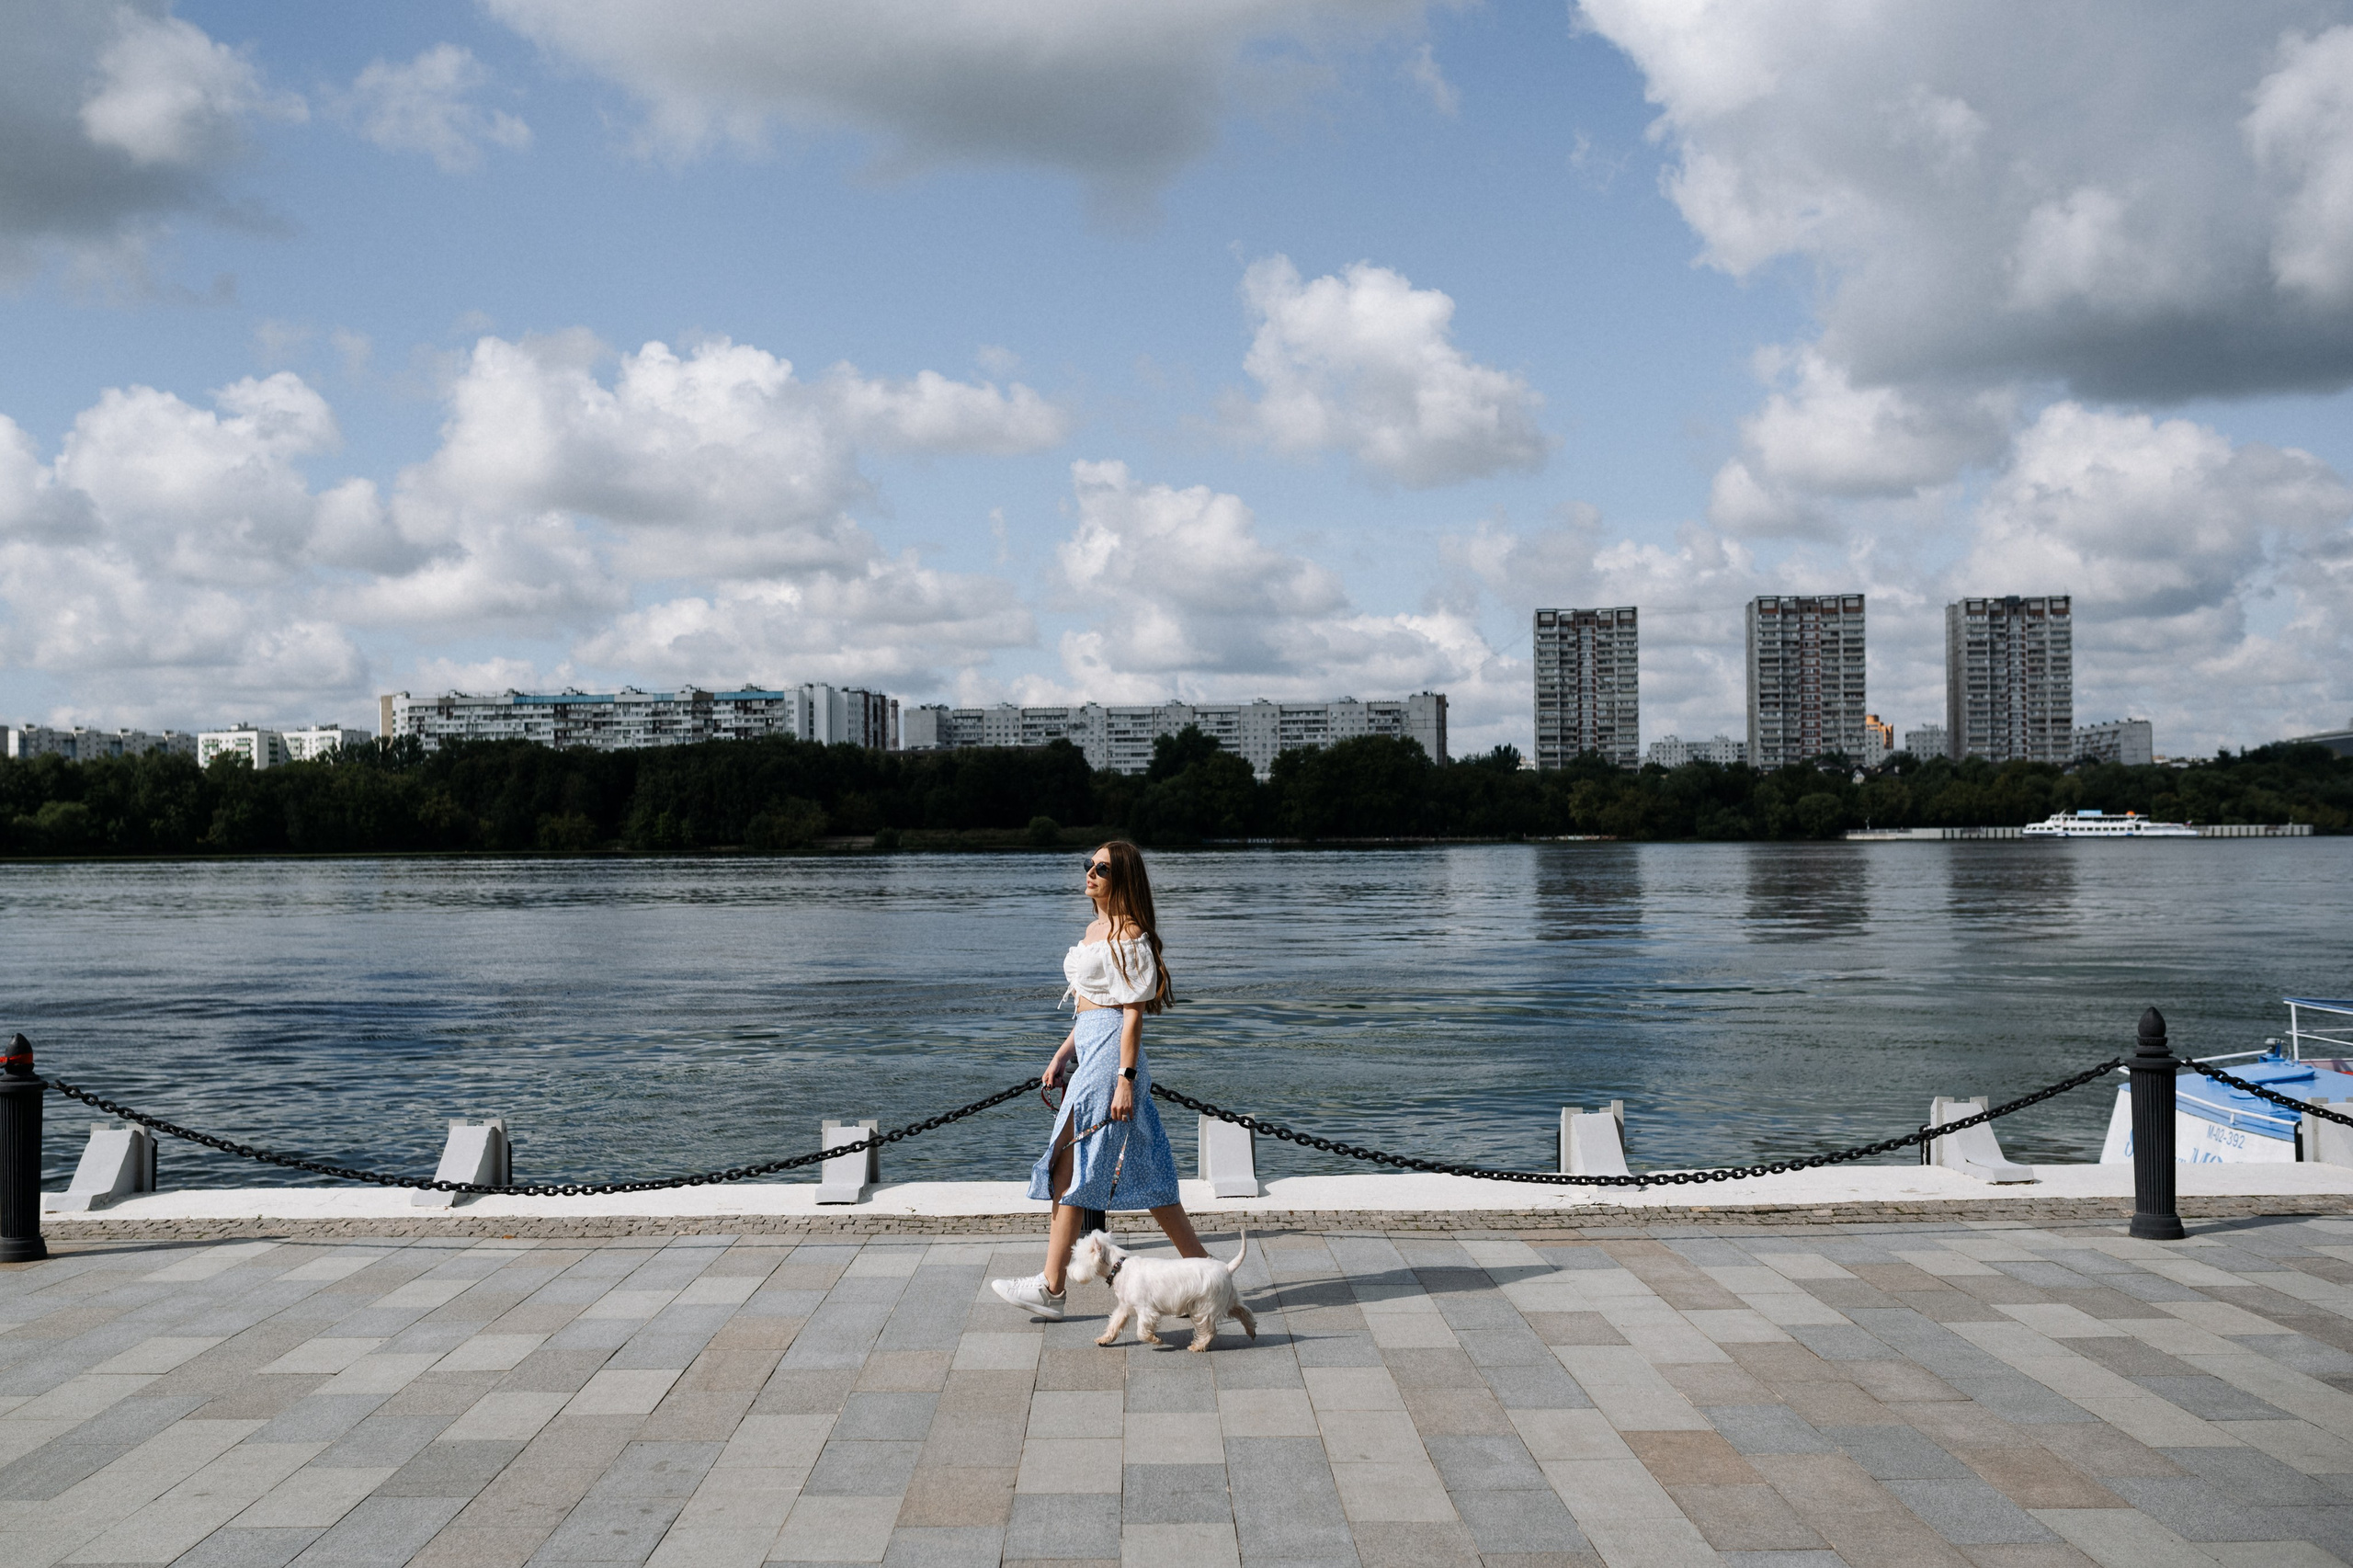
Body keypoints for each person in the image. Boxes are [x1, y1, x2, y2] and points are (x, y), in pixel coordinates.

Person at [991, 840, 1208, 1319]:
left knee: (1069, 1167)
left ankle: (1051, 1287)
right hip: (1091, 1048)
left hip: (1112, 1056)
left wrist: (1125, 1078)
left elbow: (1130, 1015)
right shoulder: (1094, 929)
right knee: (1145, 1173)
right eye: (1089, 864)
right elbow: (1090, 1005)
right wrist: (1062, 1055)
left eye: (1102, 868)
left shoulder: (1131, 934)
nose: (1090, 872)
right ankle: (1207, 1272)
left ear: (1122, 878)